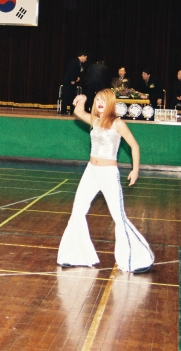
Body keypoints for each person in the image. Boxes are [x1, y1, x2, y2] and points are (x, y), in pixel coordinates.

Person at [57, 89, 154, 272]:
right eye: (98, 99)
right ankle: (74, 255)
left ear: (110, 103)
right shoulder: (95, 120)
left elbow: (134, 145)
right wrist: (83, 99)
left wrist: (135, 170)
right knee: (77, 210)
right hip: (91, 171)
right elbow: (78, 112)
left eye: (104, 100)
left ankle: (139, 260)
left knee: (119, 217)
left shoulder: (118, 124)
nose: (100, 102)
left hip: (108, 174)